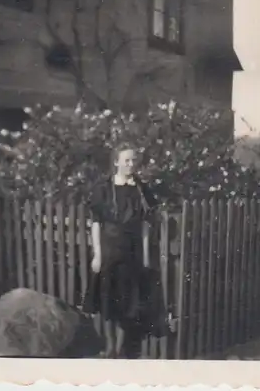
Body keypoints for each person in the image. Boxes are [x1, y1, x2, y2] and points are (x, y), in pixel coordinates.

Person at [82, 142, 158, 358]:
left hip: (131, 252)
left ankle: (122, 349)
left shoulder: (141, 189)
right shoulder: (103, 188)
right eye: (126, 160)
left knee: (128, 302)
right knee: (107, 301)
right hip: (108, 250)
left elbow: (145, 225)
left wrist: (143, 256)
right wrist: (97, 254)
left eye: (134, 160)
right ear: (116, 162)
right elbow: (96, 223)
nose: (131, 164)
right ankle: (109, 347)